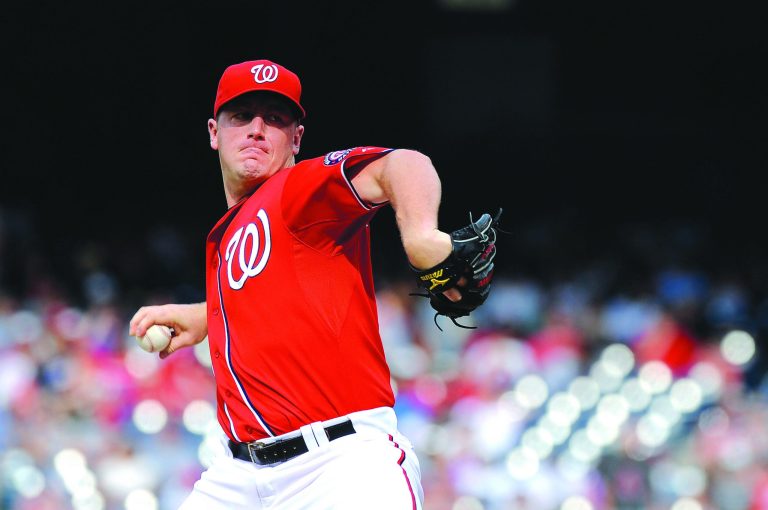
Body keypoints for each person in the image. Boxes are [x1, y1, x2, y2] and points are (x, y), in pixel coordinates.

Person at [129, 58, 489, 510]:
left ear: (296, 139)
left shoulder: (297, 191)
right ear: (213, 132)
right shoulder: (230, 234)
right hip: (237, 474)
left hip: (339, 466)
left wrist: (419, 234)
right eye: (242, 116)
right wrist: (207, 314)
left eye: (275, 119)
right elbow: (278, 295)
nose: (257, 129)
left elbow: (402, 164)